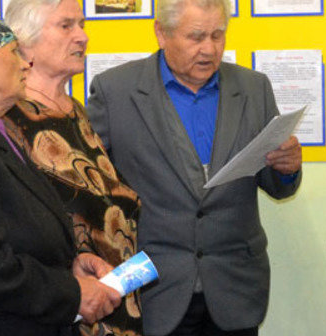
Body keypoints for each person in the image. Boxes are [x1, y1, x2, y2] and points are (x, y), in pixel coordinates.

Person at [86, 0, 303, 334]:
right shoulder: (115, 92)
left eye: (218, 35)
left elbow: (277, 185)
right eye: (196, 37)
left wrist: (287, 168)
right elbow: (92, 188)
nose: (209, 49)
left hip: (236, 288)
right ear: (161, 33)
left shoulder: (254, 88)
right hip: (154, 289)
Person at [0, 11, 121, 335]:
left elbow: (17, 231)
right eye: (14, 51)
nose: (26, 63)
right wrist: (71, 294)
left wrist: (68, 267)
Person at [3, 1, 144, 335]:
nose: (82, 36)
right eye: (66, 26)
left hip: (115, 304)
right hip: (63, 312)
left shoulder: (76, 112)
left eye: (81, 24)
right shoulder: (9, 119)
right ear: (25, 41)